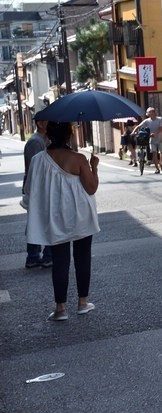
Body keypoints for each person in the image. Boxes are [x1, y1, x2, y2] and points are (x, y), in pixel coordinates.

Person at [25, 121, 101, 321]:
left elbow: (31, 190)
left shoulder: (37, 160)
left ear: (48, 135)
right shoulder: (79, 159)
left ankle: (60, 308)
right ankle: (83, 303)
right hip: (81, 215)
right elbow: (91, 188)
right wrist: (94, 167)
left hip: (55, 216)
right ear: (68, 135)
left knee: (60, 261)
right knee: (83, 257)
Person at [22, 118, 51, 269]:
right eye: (47, 121)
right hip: (36, 186)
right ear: (40, 123)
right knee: (38, 220)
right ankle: (35, 256)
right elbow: (34, 168)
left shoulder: (43, 140)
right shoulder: (35, 142)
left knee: (38, 219)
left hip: (38, 185)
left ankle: (36, 256)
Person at [134, 106, 162, 173]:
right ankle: (156, 168)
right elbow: (138, 126)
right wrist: (133, 132)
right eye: (149, 112)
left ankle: (161, 163)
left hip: (160, 139)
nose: (149, 113)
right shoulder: (147, 121)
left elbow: (161, 129)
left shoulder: (160, 119)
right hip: (152, 140)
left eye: (151, 112)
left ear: (154, 112)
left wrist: (155, 134)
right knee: (154, 153)